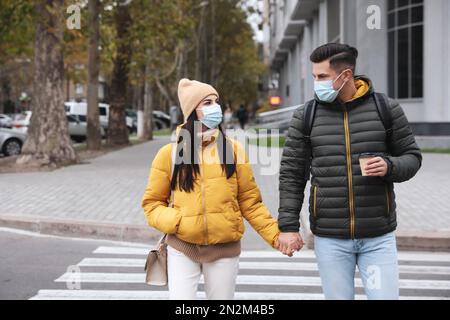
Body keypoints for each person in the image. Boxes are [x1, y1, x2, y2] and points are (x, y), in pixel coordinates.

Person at [277, 43, 422, 300]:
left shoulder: (385, 108)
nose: (316, 83)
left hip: (377, 236)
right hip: (330, 239)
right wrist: (288, 226)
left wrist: (390, 166)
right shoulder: (306, 115)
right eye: (314, 76)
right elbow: (292, 173)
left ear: (346, 75)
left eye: (322, 77)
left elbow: (412, 157)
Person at [141, 78, 280, 300]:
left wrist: (276, 236)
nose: (215, 107)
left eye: (216, 101)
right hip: (182, 248)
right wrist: (175, 221)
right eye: (206, 102)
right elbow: (152, 203)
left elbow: (250, 202)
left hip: (225, 249)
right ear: (191, 111)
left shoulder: (232, 150)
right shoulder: (171, 153)